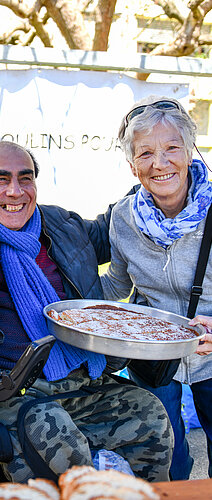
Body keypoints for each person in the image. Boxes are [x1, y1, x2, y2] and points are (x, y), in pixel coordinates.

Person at [0, 141, 172, 482]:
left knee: (149, 414)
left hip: (76, 376)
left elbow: (115, 227)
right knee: (53, 435)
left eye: (25, 178)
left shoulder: (60, 224)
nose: (15, 191)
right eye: (0, 179)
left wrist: (154, 181)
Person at [101, 96, 212, 480]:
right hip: (153, 357)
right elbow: (114, 284)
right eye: (145, 152)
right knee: (166, 461)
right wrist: (51, 291)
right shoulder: (124, 218)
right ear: (133, 166)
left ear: (190, 151)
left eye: (171, 149)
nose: (160, 163)